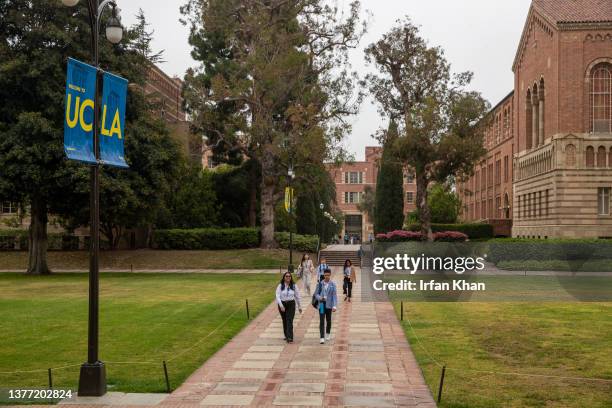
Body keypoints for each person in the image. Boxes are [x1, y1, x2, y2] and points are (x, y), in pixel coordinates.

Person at [275, 272, 302, 343]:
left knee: (289, 320)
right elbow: (277, 296)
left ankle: (290, 337)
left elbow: (297, 296)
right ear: (284, 277)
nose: (288, 277)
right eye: (286, 276)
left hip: (291, 304)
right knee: (285, 320)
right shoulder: (280, 286)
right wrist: (281, 306)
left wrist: (299, 306)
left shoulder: (294, 286)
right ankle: (286, 335)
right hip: (282, 303)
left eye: (289, 276)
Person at [314, 268, 338, 344]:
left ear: (330, 275)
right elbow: (316, 294)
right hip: (321, 304)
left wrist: (334, 306)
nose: (326, 276)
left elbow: (334, 296)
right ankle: (321, 337)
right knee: (321, 320)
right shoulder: (320, 284)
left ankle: (328, 332)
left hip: (329, 305)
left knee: (328, 320)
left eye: (328, 275)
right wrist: (320, 298)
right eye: (325, 275)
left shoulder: (333, 284)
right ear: (323, 275)